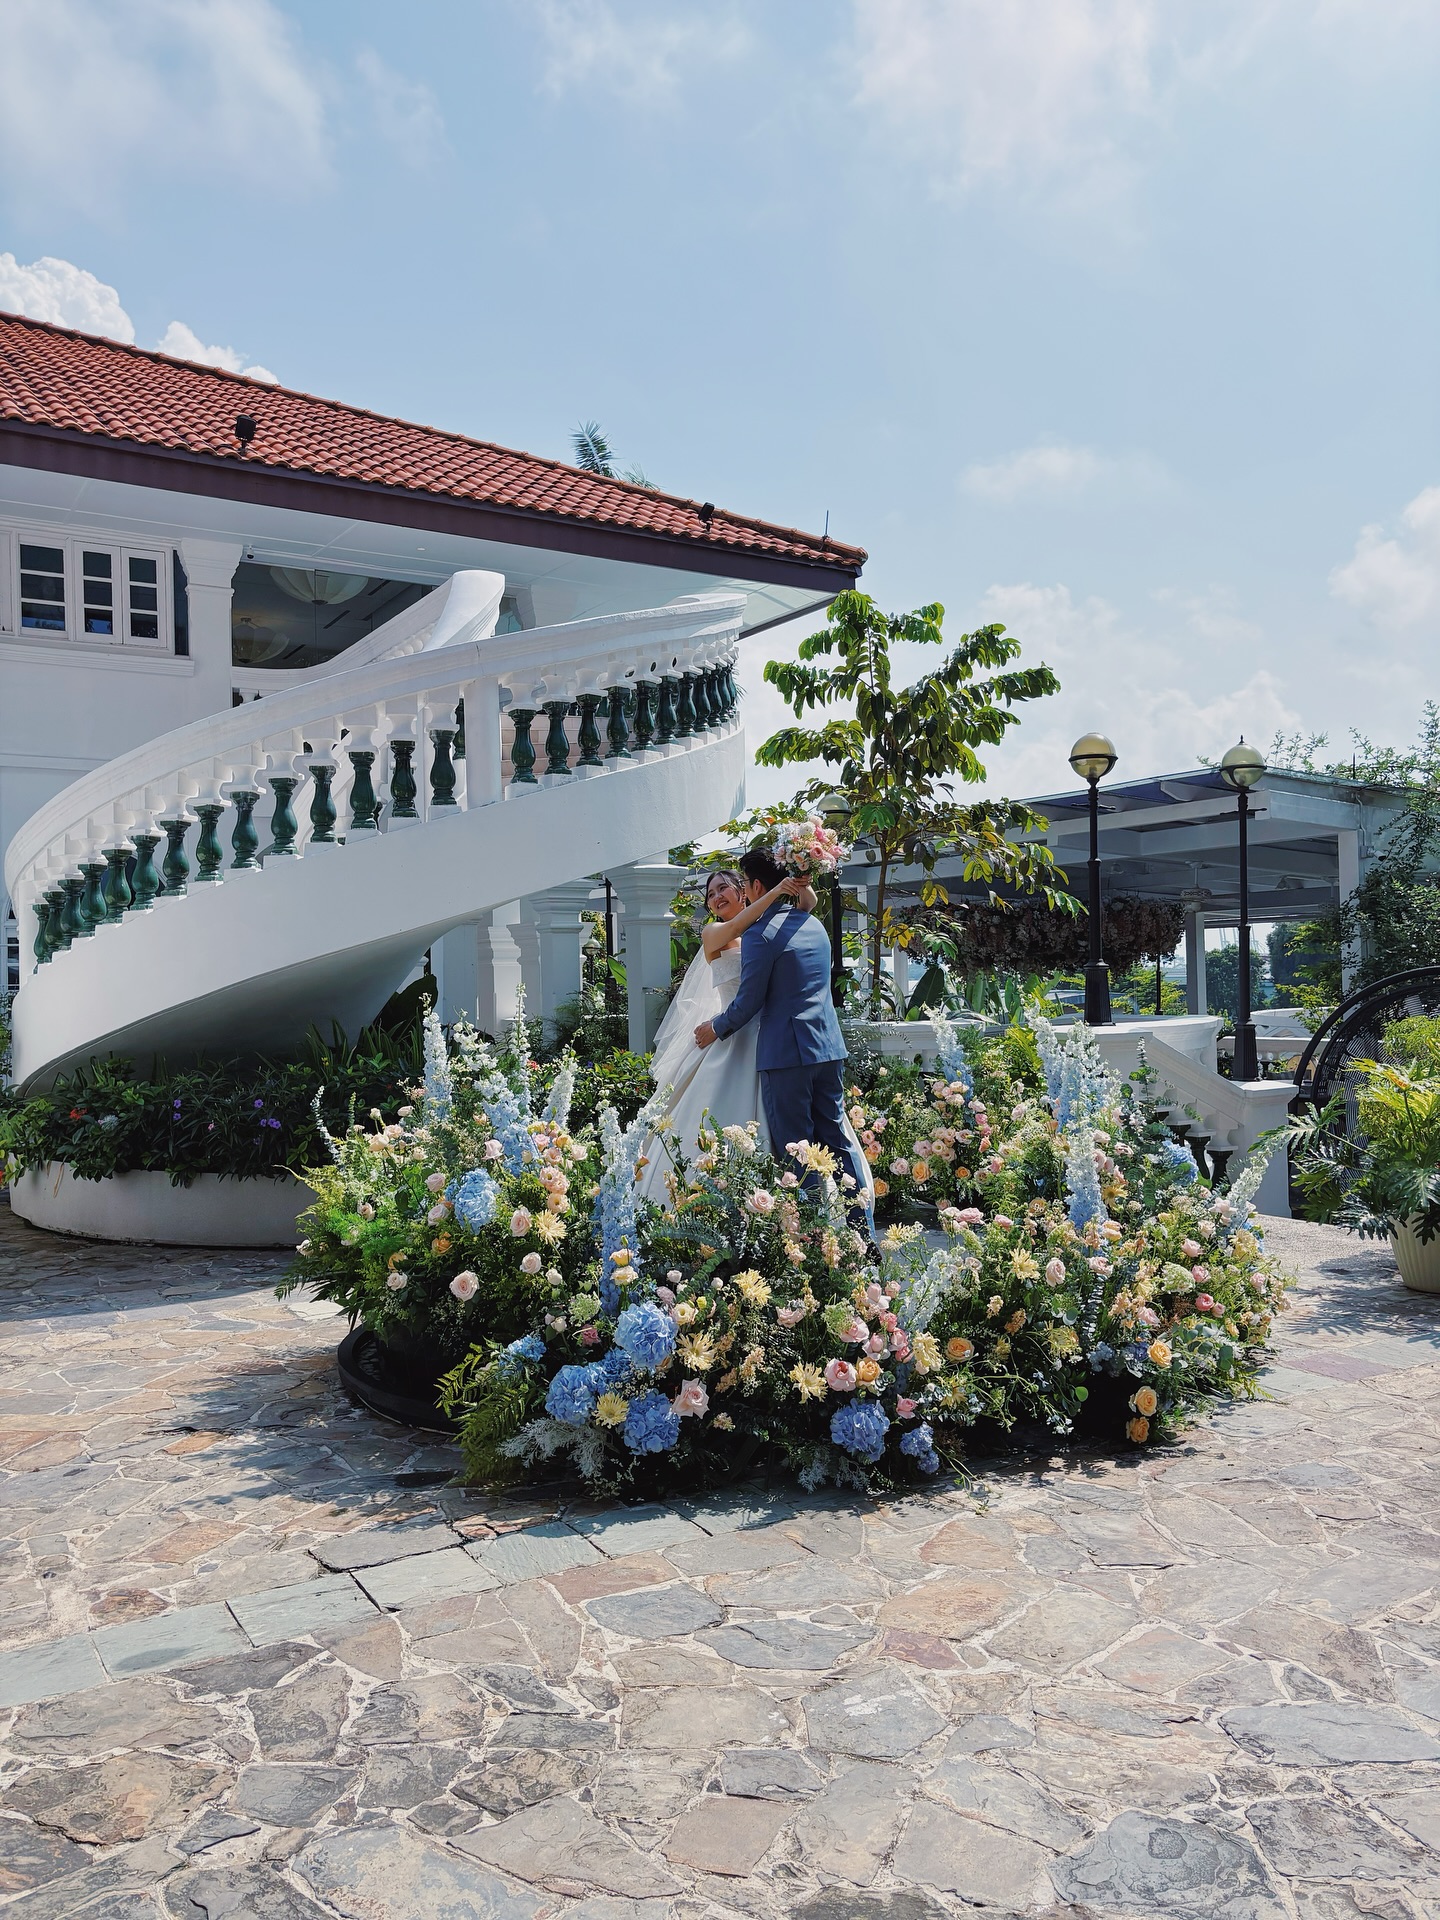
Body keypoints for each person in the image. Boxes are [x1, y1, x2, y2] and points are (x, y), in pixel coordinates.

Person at [635, 861, 871, 1213]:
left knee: (804, 1140)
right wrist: (776, 890)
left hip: (773, 1039)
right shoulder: (717, 931)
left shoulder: (765, 931)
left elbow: (808, 905)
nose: (715, 898)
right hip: (734, 1039)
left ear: (745, 890)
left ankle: (821, 1215)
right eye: (710, 894)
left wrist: (798, 878)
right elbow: (741, 928)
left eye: (724, 889)